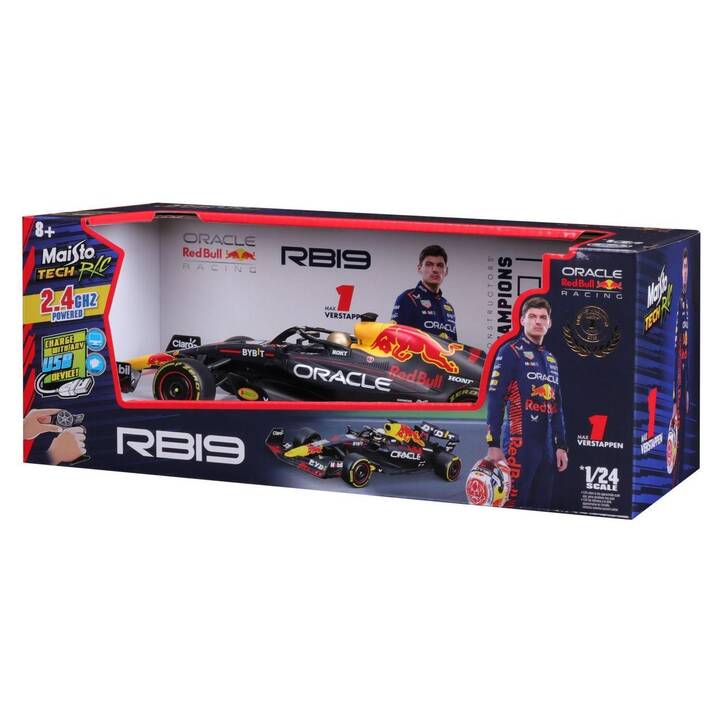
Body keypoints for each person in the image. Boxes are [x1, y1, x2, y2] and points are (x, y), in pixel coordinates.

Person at [484, 297, 568, 508]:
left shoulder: (551, 358)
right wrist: (493, 444)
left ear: (549, 323)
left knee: (542, 506)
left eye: (543, 317)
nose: (538, 321)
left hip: (547, 449)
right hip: (518, 444)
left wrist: (561, 446)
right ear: (522, 320)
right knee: (512, 504)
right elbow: (495, 397)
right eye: (532, 316)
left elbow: (556, 407)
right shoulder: (510, 351)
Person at [391, 245, 457, 341]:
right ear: (419, 268)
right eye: (429, 264)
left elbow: (454, 346)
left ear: (446, 271)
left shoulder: (448, 306)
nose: (435, 270)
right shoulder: (408, 298)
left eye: (440, 265)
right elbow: (396, 339)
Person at [672, 248, 690, 485]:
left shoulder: (686, 302)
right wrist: (676, 393)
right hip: (676, 378)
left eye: (687, 268)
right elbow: (676, 347)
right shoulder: (678, 302)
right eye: (683, 267)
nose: (685, 272)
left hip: (683, 377)